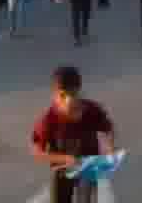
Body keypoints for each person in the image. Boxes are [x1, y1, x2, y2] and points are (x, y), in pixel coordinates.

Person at [31, 66, 116, 203]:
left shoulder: (92, 110)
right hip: (63, 171)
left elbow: (108, 128)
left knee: (85, 199)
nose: (69, 101)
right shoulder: (48, 120)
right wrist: (65, 159)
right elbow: (37, 151)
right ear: (55, 95)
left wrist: (110, 146)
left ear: (79, 91)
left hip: (87, 168)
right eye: (62, 96)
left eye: (73, 94)